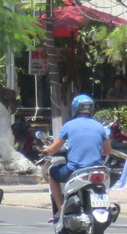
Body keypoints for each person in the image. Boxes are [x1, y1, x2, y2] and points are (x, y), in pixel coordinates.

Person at [42, 94, 110, 223]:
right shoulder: (99, 126)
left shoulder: (69, 125)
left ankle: (60, 209)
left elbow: (54, 148)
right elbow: (107, 151)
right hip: (96, 169)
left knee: (51, 173)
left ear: (75, 108)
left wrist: (45, 151)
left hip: (75, 169)